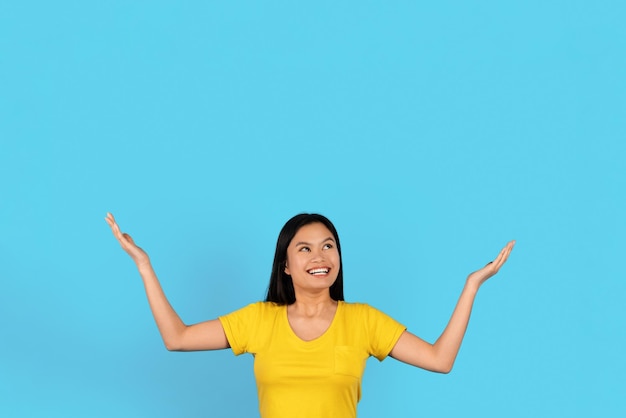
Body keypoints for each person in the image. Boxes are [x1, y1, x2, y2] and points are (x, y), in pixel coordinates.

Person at [105, 212, 515, 418]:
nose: (320, 257)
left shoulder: (364, 321)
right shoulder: (258, 320)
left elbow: (440, 360)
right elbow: (176, 338)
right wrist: (144, 265)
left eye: (328, 246)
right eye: (305, 248)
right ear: (285, 265)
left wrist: (471, 286)